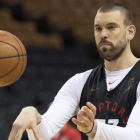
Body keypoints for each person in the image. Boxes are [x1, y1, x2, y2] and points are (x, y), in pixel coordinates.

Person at [8, 3, 140, 140]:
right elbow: (44, 133)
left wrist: (94, 129)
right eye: (98, 29)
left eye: (111, 27)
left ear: (130, 32)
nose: (103, 34)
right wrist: (33, 116)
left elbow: (136, 135)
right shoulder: (80, 82)